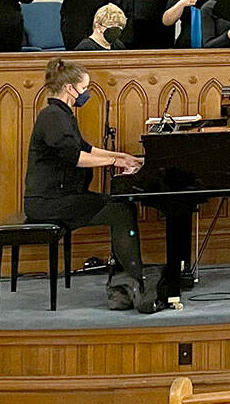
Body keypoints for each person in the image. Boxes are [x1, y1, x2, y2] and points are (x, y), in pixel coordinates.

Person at [23, 59, 147, 309]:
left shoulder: (62, 115)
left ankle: (126, 283)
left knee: (121, 206)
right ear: (70, 88)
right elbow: (75, 157)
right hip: (48, 203)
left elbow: (84, 147)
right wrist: (113, 161)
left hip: (61, 198)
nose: (87, 93)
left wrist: (121, 156)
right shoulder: (53, 118)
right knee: (121, 210)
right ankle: (133, 281)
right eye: (85, 87)